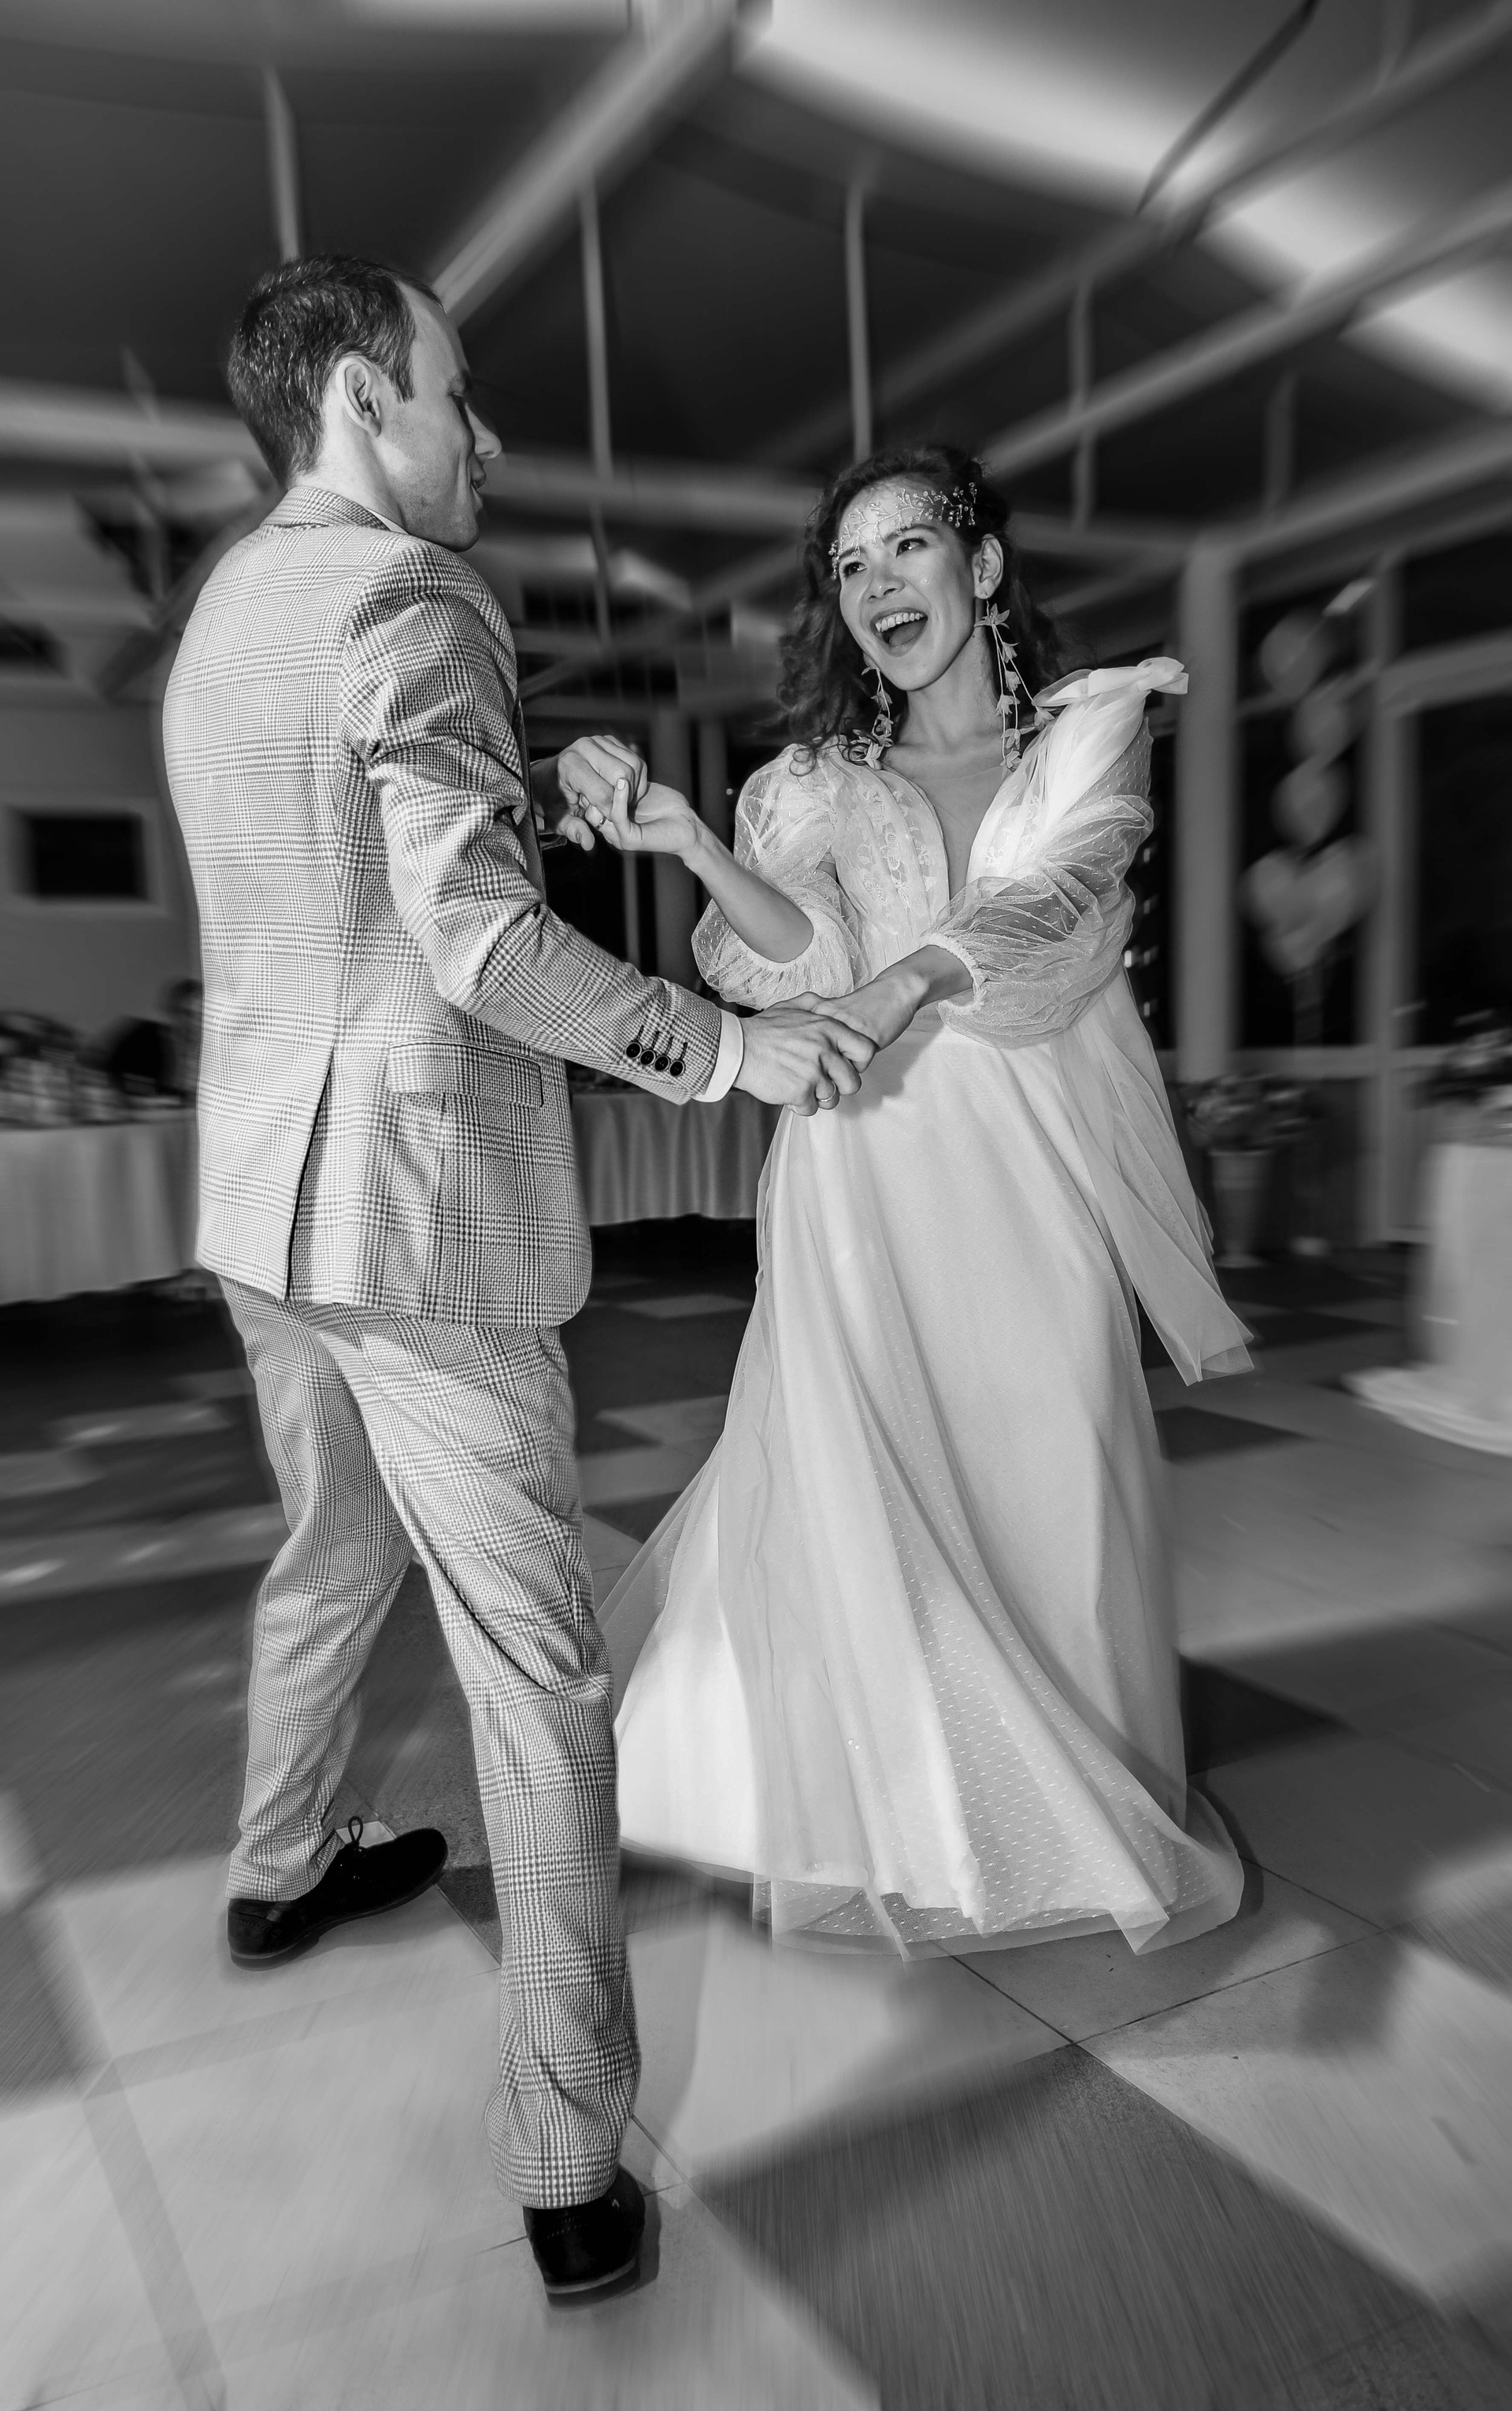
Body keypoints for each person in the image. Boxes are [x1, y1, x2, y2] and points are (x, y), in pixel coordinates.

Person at [161, 253, 874, 2302]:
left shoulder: (226, 610)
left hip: (267, 1208)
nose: (485, 436)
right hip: (419, 1218)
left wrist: (518, 790)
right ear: (363, 396)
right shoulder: (416, 590)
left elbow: (352, 869)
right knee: (541, 1681)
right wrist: (727, 1047)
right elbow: (474, 945)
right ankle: (569, 2155)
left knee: (328, 1550)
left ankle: (280, 1864)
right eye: (458, 394)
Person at [592, 446, 1252, 1960]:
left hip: (1028, 1167)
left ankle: (1066, 1807)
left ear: (984, 566)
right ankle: (915, 1817)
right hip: (860, 1168)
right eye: (849, 564)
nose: (877, 583)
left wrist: (905, 982)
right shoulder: (820, 782)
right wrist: (695, 845)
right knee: (873, 1483)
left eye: (906, 546)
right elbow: (802, 964)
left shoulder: (1090, 734)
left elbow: (1065, 896)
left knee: (1052, 1455)